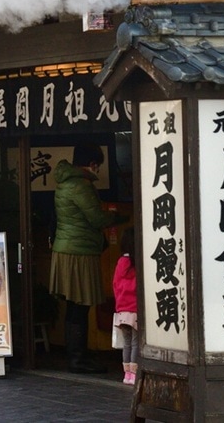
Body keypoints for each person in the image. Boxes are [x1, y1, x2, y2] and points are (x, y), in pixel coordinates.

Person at [49, 144, 126, 374]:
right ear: (91, 163)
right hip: (78, 253)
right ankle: (77, 359)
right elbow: (96, 218)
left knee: (74, 306)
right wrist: (119, 217)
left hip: (68, 250)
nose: (98, 169)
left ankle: (76, 355)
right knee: (80, 306)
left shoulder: (65, 182)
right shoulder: (81, 186)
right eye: (98, 165)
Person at [113, 226, 139, 385]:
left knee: (127, 343)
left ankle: (126, 374)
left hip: (122, 309)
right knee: (136, 342)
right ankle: (135, 374)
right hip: (135, 309)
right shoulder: (136, 263)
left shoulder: (121, 262)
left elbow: (115, 283)